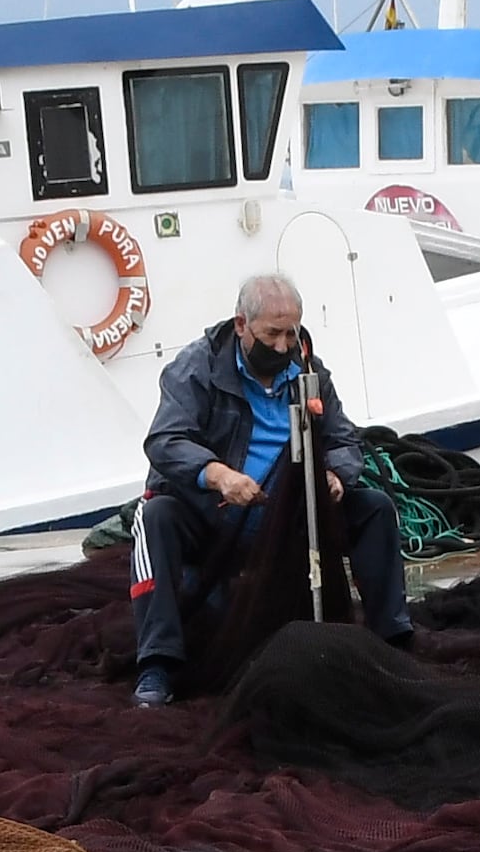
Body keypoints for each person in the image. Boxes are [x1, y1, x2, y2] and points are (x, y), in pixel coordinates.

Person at [133, 274, 393, 708]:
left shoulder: (310, 371)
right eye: (272, 333)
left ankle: (392, 638)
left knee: (375, 508)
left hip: (290, 518)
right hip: (213, 518)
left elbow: (344, 440)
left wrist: (337, 476)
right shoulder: (196, 368)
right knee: (155, 517)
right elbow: (165, 441)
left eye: (291, 332)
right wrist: (219, 475)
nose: (282, 345)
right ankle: (157, 664)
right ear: (241, 325)